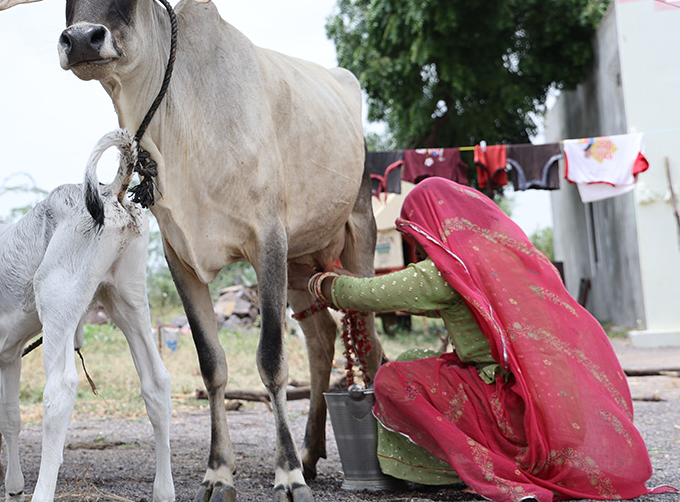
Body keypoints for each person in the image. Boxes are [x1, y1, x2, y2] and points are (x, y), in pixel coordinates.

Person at [288, 177, 676, 502]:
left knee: (394, 378)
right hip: (554, 413)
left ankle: (465, 468)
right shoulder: (509, 263)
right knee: (426, 356)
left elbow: (364, 296)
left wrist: (313, 280)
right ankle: (487, 457)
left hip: (511, 413)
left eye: (415, 230)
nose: (418, 242)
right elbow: (428, 303)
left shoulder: (442, 274)